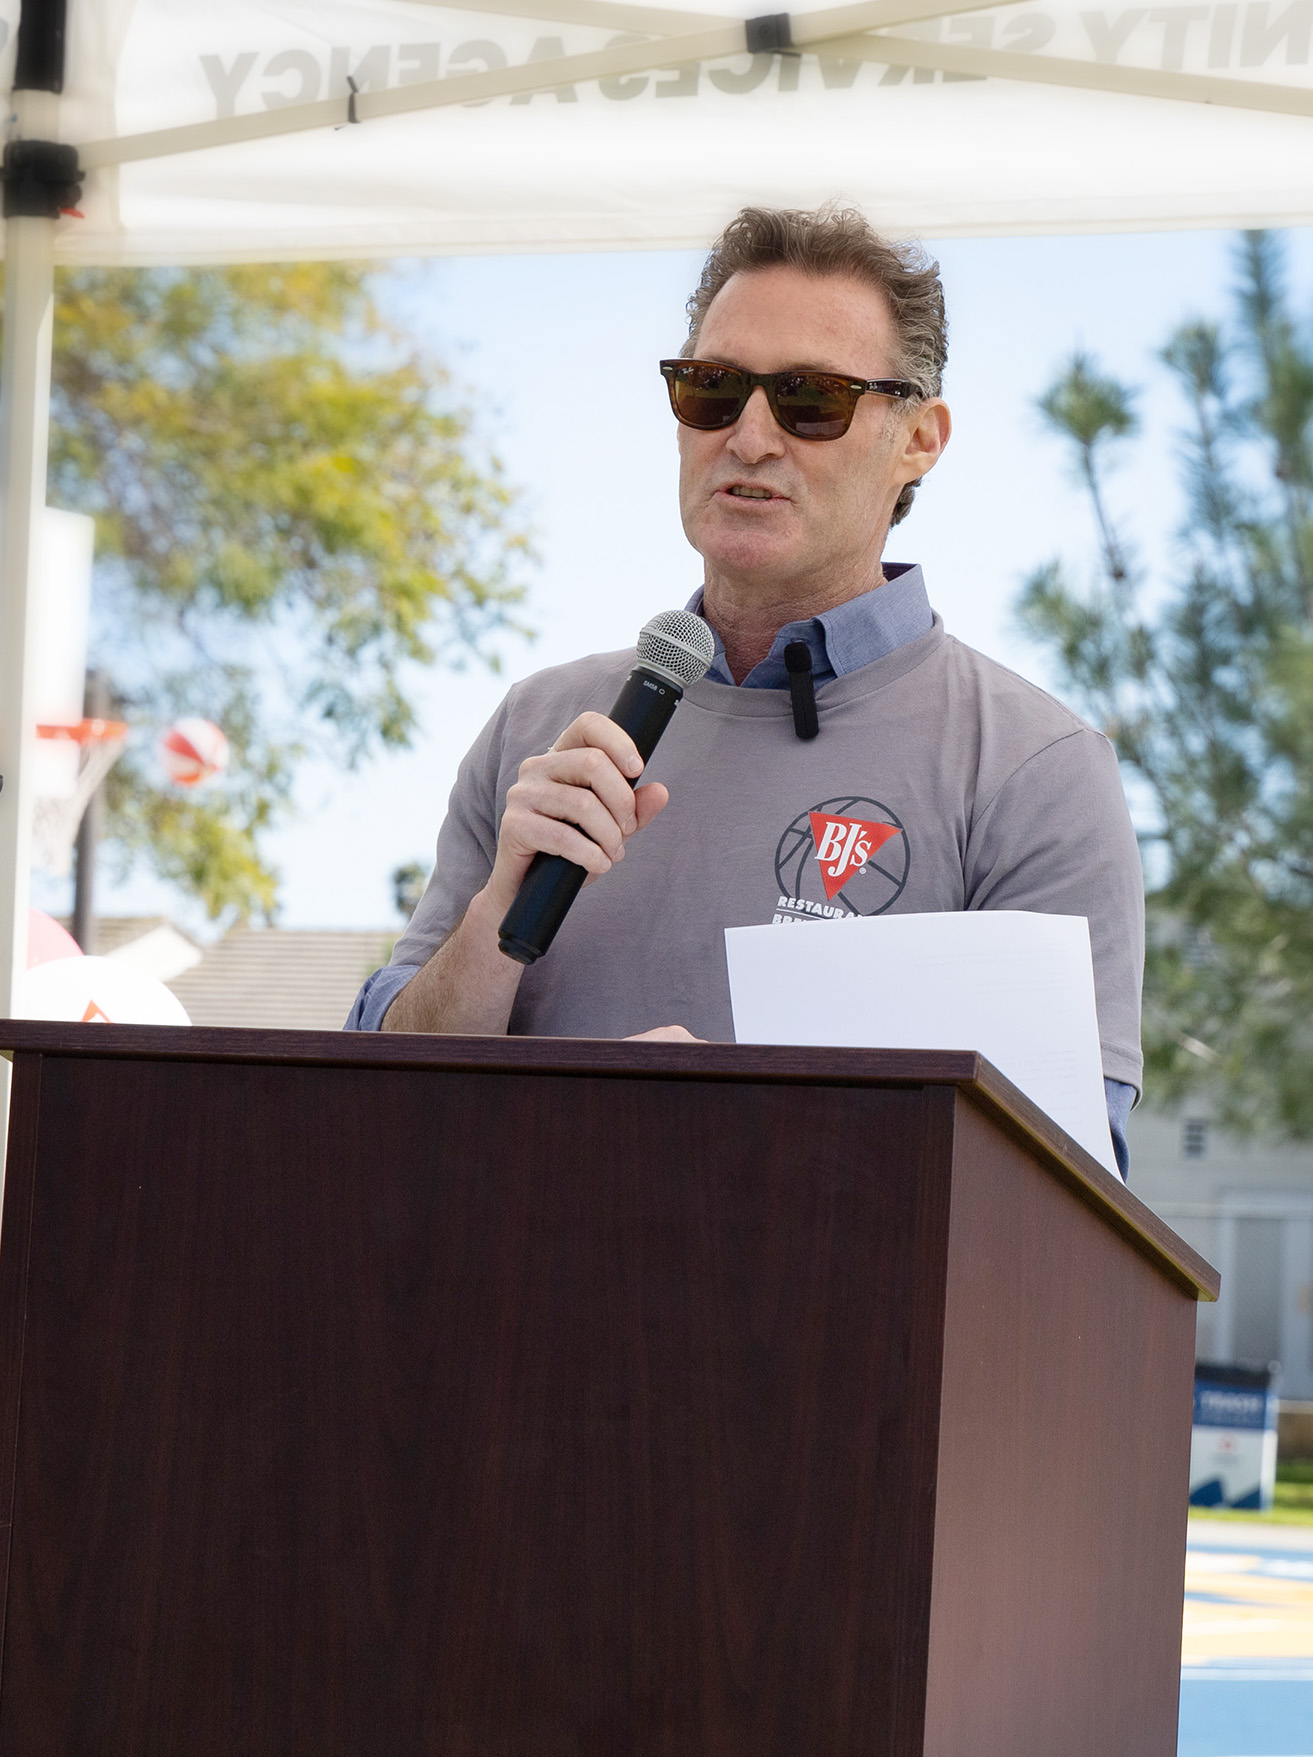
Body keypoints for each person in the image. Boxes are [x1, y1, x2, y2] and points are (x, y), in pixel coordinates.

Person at [347, 204, 1145, 1172]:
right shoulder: (541, 725)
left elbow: (1062, 1193)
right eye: (713, 389)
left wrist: (726, 1120)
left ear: (919, 439)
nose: (751, 435)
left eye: (810, 399)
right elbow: (377, 1106)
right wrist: (492, 929)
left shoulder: (1031, 768)